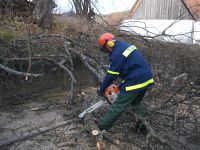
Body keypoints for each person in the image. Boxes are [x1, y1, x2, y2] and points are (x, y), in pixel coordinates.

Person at [97, 32, 154, 133]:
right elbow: (130, 68)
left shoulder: (117, 53)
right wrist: (121, 86)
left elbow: (111, 75)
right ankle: (143, 127)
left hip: (135, 80)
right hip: (146, 77)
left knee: (118, 106)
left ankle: (101, 127)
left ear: (108, 44)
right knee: (136, 103)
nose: (107, 52)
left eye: (105, 49)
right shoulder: (124, 45)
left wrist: (101, 89)